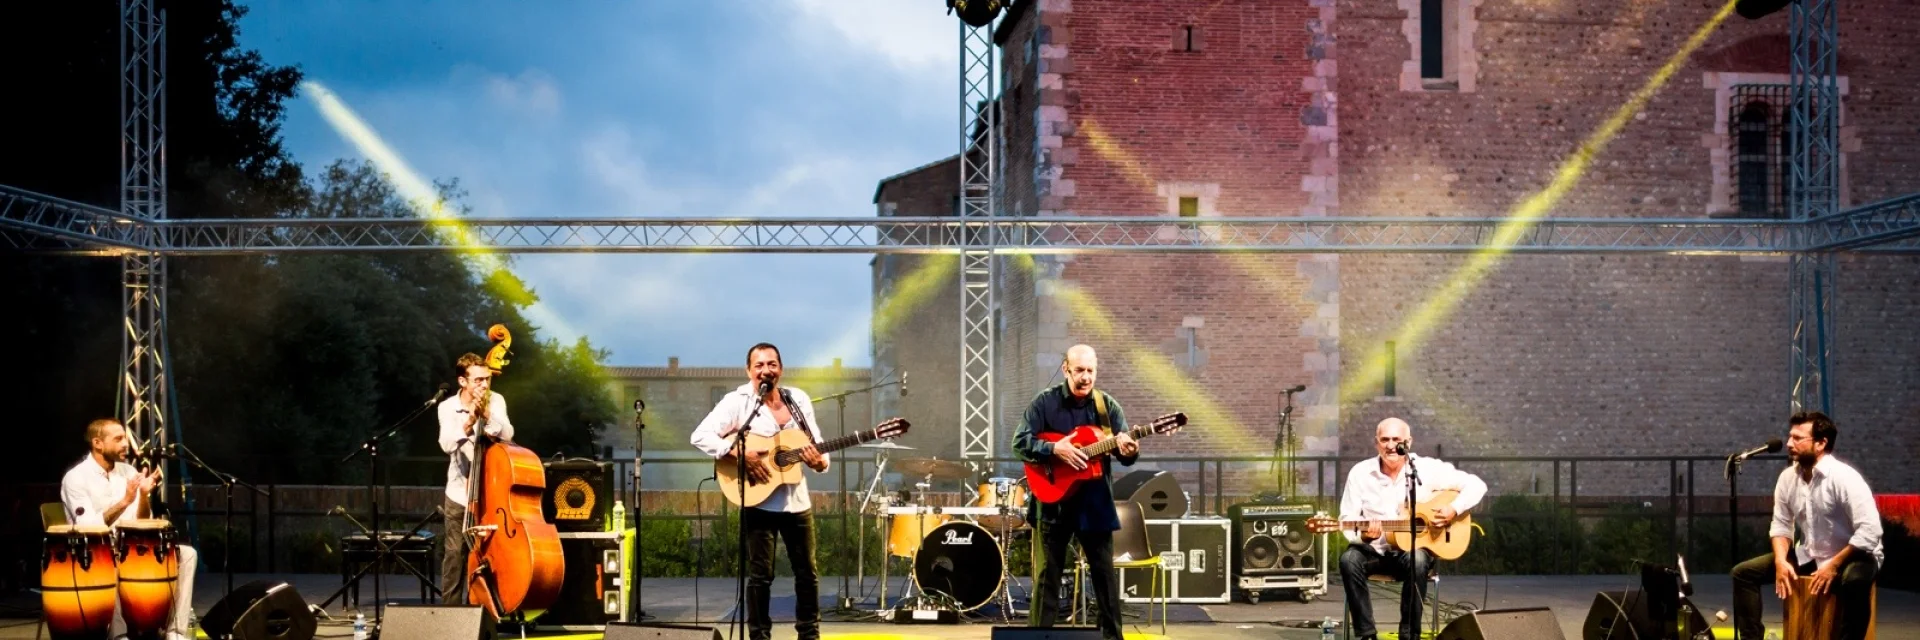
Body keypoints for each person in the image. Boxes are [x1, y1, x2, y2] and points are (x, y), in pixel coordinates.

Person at [690, 342, 828, 640]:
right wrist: (738, 454)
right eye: (760, 365)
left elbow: (816, 441)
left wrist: (819, 462)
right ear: (749, 371)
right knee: (760, 577)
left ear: (781, 368)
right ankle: (759, 637)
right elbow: (700, 435)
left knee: (807, 574)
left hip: (797, 502)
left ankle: (809, 635)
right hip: (758, 502)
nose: (766, 370)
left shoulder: (797, 400)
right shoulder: (737, 401)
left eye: (772, 364)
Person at [1012, 344, 1139, 640]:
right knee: (1047, 579)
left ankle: (1112, 639)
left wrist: (1130, 449)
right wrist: (1054, 448)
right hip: (1053, 502)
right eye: (1079, 370)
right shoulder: (1044, 403)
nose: (1085, 377)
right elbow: (1019, 443)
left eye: (1091, 371)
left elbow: (1125, 454)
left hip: (1094, 503)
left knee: (1104, 577)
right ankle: (1038, 637)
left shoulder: (1107, 407)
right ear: (1066, 368)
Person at [1731, 411, 1881, 640]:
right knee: (1743, 573)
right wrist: (1781, 561)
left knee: (1855, 580)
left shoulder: (1845, 478)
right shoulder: (1787, 479)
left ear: (1821, 443)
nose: (1789, 444)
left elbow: (1870, 531)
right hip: (1812, 553)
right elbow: (1781, 525)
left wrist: (1834, 565)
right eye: (1790, 437)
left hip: (1855, 554)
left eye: (1798, 438)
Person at [1336, 417, 1486, 640]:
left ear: (1408, 442)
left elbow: (1477, 485)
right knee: (1348, 561)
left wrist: (1453, 509)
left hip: (1412, 554)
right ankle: (1367, 634)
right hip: (1373, 552)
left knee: (1417, 559)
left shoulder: (1426, 468)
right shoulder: (1360, 473)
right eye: (1384, 439)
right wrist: (1364, 536)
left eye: (1396, 439)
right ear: (1376, 443)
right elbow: (1347, 518)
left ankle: (1409, 635)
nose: (1390, 445)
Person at [60, 418, 199, 640]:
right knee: (109, 557)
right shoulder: (76, 478)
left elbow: (142, 521)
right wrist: (125, 501)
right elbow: (88, 528)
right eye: (118, 439)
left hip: (131, 547)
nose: (126, 443)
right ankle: (119, 635)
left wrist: (143, 496)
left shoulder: (127, 471)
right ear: (98, 443)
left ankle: (176, 632)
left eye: (125, 437)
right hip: (93, 551)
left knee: (187, 555)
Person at [437, 352, 514, 604]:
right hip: (459, 493)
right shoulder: (447, 407)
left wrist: (488, 415)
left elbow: (507, 434)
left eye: (487, 379)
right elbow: (447, 444)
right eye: (479, 380)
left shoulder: (497, 400)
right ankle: (449, 614)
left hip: (492, 493)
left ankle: (490, 608)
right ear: (463, 381)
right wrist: (470, 421)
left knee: (493, 552)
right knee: (454, 554)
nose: (484, 385)